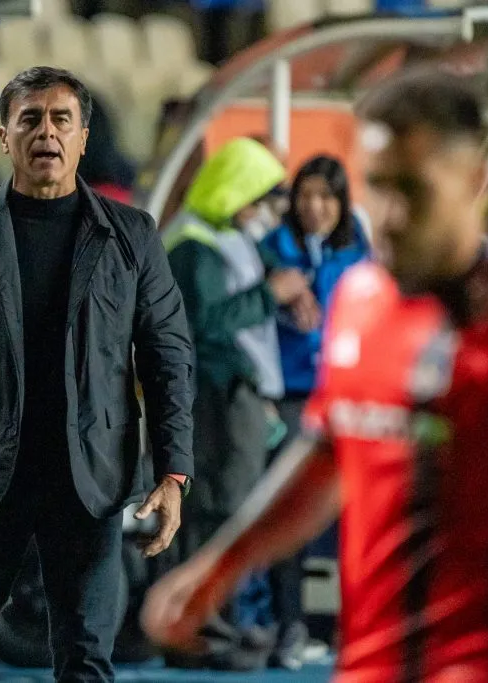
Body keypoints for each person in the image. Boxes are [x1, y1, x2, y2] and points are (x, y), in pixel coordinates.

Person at [142, 70, 488, 683]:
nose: (392, 216)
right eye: (378, 187)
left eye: (415, 190)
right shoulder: (361, 298)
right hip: (367, 666)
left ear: (475, 180)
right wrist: (218, 568)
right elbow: (327, 456)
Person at [0, 65, 195, 682]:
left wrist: (173, 470)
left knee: (87, 659)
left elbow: (167, 354)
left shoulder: (132, 235)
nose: (46, 132)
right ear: (4, 137)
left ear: (84, 137)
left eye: (62, 119)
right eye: (29, 118)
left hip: (90, 478)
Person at [161, 137, 302, 669]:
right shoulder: (197, 245)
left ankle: (216, 623)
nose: (267, 211)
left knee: (232, 513)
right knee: (214, 513)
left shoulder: (228, 239)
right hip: (218, 401)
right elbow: (206, 326)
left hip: (238, 397)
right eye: (261, 197)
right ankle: (200, 631)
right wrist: (272, 295)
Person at [258, 154, 371, 669]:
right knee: (288, 517)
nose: (315, 206)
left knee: (355, 517)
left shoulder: (358, 253)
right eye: (306, 195)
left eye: (327, 196)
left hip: (347, 399)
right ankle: (288, 625)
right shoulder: (271, 249)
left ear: (343, 203)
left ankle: (358, 626)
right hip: (291, 396)